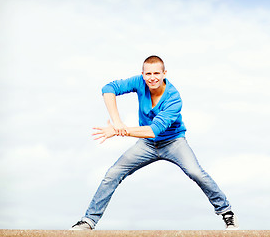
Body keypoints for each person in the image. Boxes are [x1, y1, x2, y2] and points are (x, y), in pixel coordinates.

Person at [70, 55, 239, 230]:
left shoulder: (174, 98)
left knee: (196, 172)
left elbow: (153, 130)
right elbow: (108, 89)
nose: (152, 77)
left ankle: (227, 212)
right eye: (148, 73)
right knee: (113, 173)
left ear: (164, 73)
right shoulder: (139, 82)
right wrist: (117, 122)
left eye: (157, 73)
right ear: (142, 74)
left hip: (173, 142)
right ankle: (89, 221)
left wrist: (121, 131)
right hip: (147, 144)